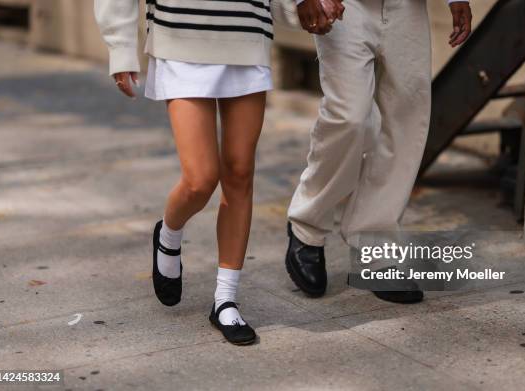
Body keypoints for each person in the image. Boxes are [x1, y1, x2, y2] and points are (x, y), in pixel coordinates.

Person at [94, 0, 344, 345]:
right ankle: (168, 234)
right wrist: (120, 46)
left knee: (240, 173)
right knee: (200, 180)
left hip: (247, 32)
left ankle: (225, 299)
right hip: (179, 34)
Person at [286, 0, 473, 302]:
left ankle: (374, 247)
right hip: (344, 6)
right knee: (349, 117)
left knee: (406, 120)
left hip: (408, 9)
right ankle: (307, 225)